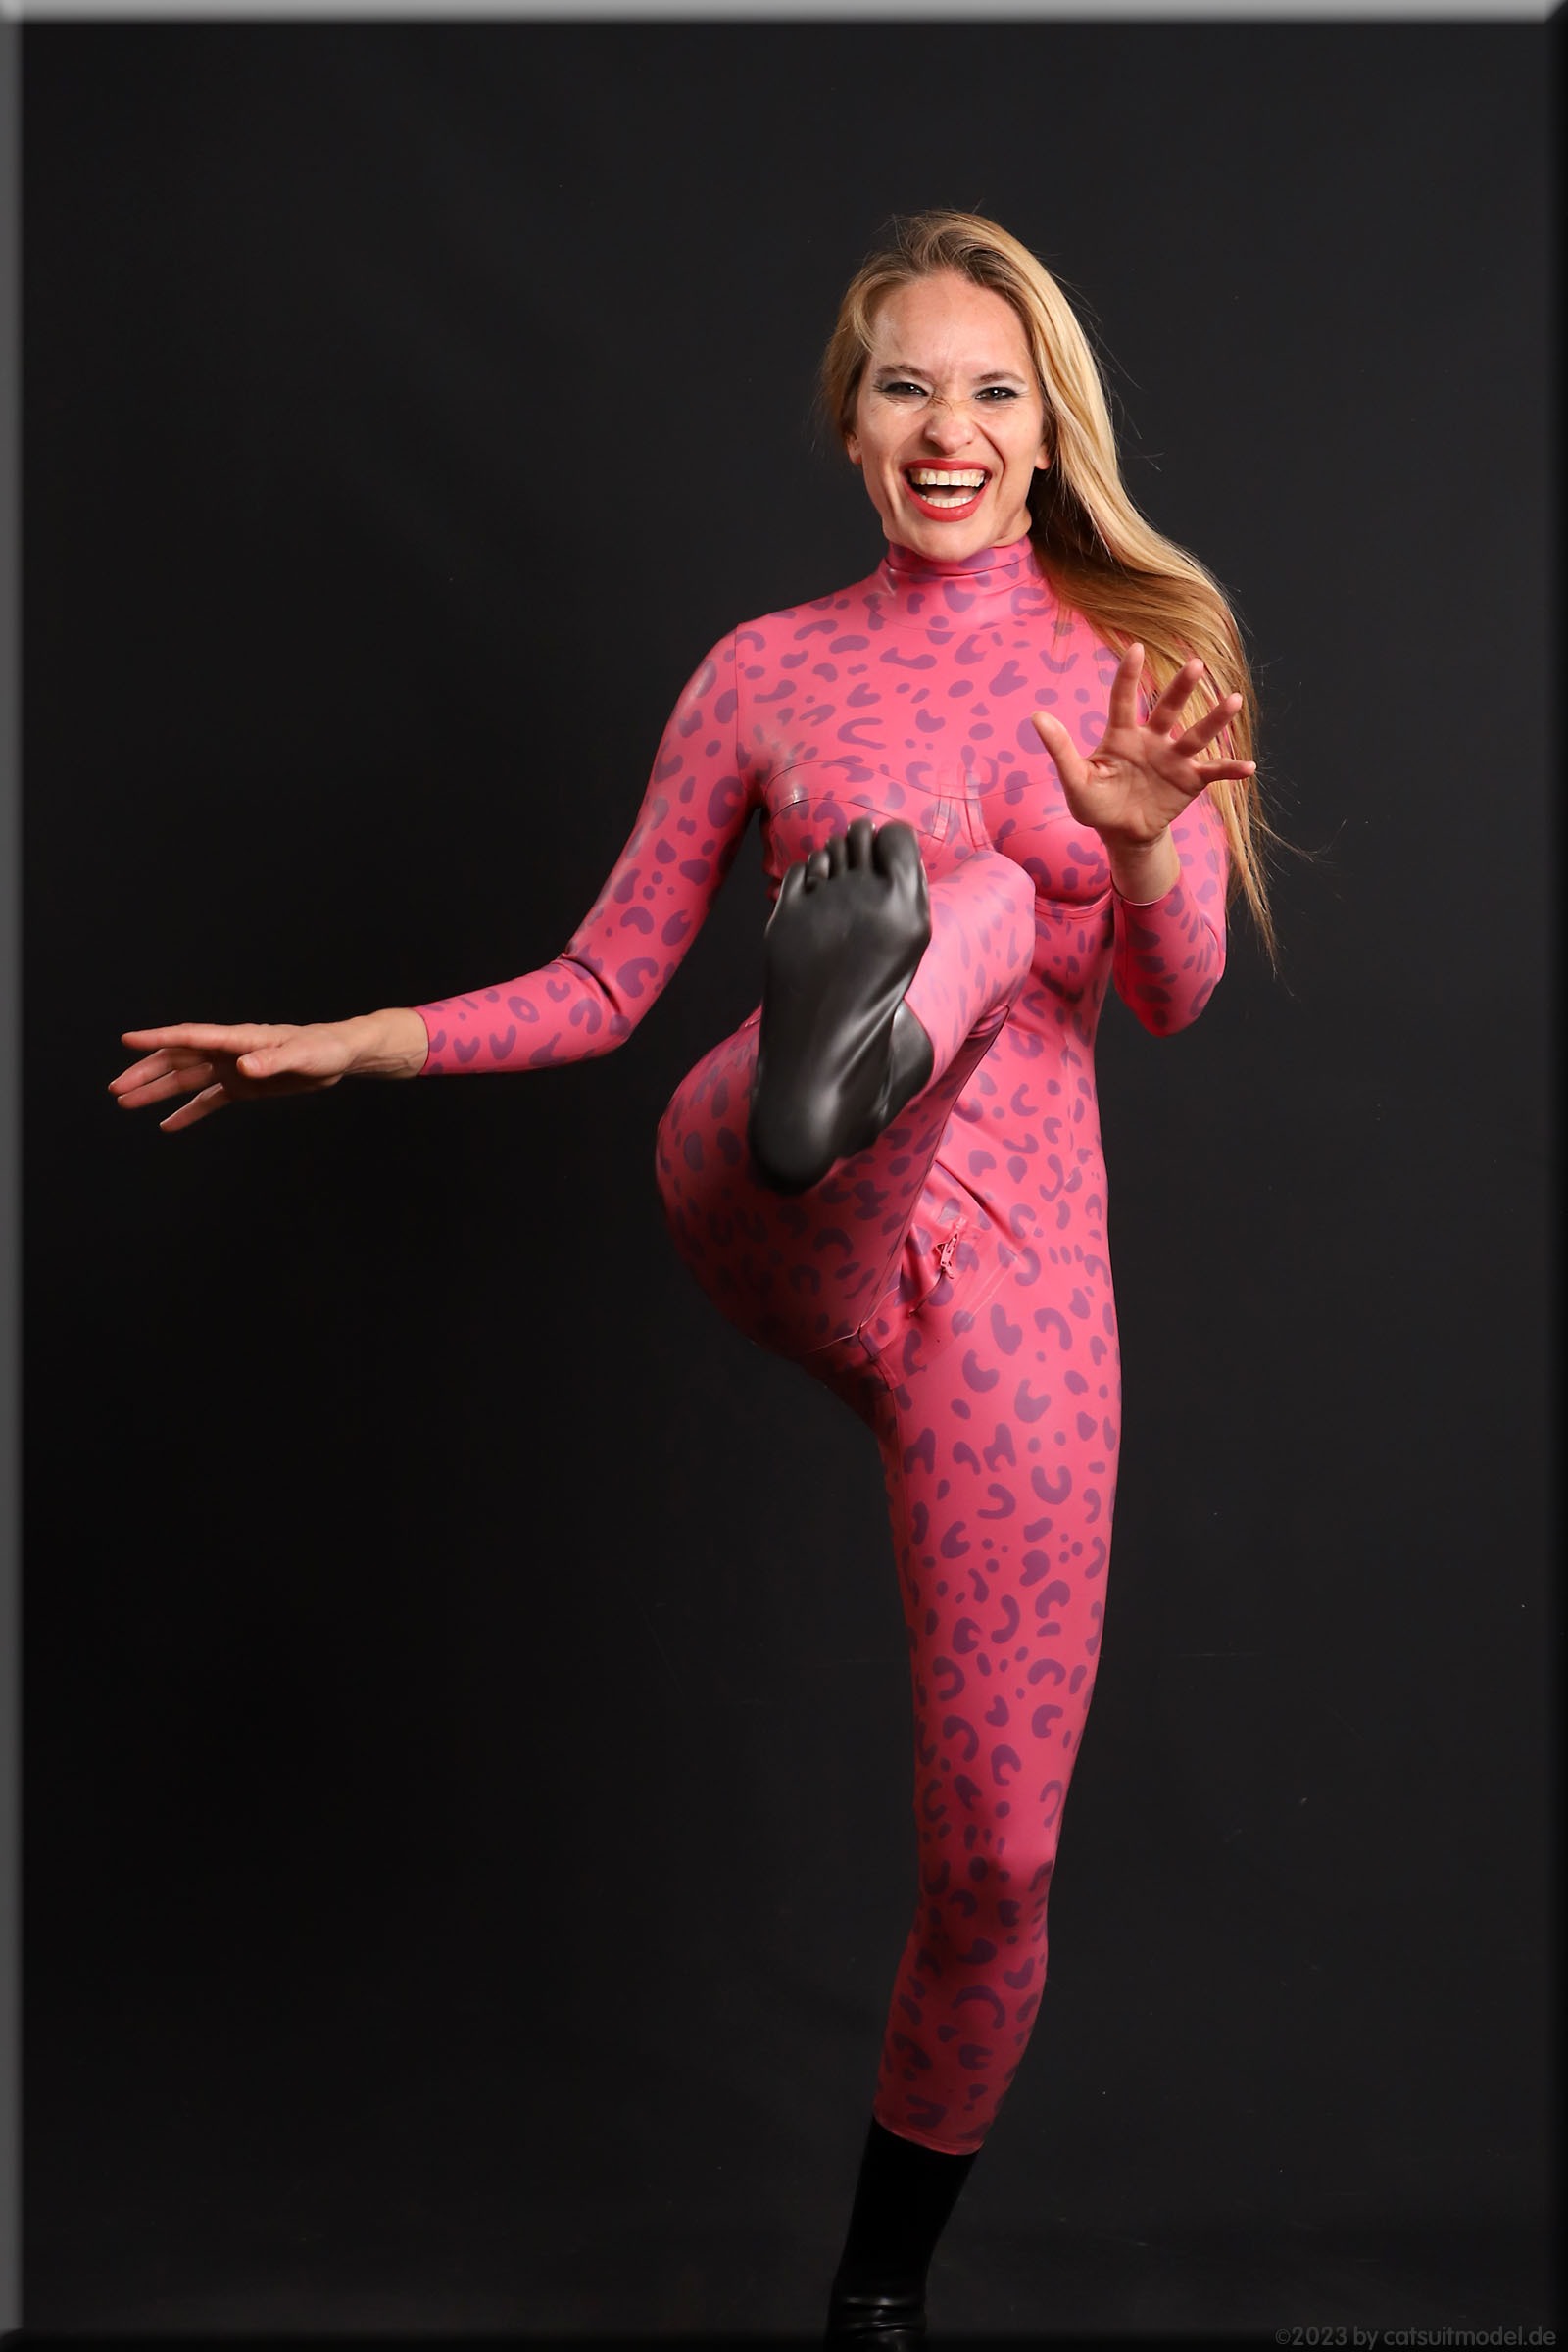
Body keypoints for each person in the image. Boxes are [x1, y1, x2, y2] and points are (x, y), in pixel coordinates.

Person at [110, 210, 1273, 2345]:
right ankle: (843, 1053)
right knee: (952, 894)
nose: (947, 426)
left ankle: (876, 2300)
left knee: (997, 1861)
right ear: (849, 421)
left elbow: (1180, 988)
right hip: (769, 1181)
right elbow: (599, 981)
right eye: (905, 385)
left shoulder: (1133, 668)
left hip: (1012, 1292)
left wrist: (1121, 830)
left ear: (1047, 435)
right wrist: (354, 1042)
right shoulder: (762, 671)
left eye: (990, 391)